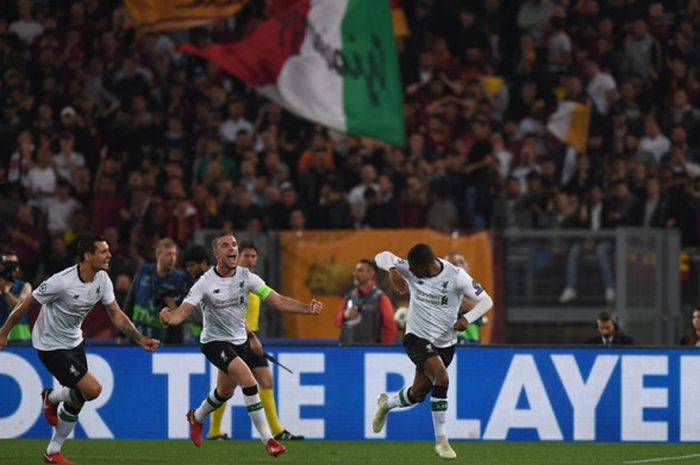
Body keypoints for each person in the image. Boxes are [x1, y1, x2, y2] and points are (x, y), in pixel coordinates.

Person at [0, 233, 160, 465]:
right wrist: (4, 332)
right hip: (50, 344)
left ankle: (52, 450)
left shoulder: (102, 279)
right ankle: (53, 398)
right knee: (93, 389)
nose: (109, 255)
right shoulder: (61, 281)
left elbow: (115, 314)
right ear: (88, 256)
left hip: (74, 341)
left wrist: (139, 338)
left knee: (79, 399)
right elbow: (27, 303)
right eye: (103, 251)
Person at [159, 231, 322, 457]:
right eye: (225, 245)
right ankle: (269, 440)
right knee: (249, 381)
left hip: (239, 343)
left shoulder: (248, 277)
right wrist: (170, 318)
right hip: (214, 342)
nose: (232, 248)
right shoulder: (204, 282)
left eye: (234, 244)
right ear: (216, 253)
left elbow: (278, 300)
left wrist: (307, 308)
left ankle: (196, 417)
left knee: (223, 392)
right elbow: (183, 312)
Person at [372, 243, 493, 460]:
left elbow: (486, 301)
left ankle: (385, 405)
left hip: (445, 344)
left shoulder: (457, 276)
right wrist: (392, 270)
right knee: (442, 377)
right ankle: (442, 441)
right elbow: (382, 255)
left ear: (428, 267)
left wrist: (467, 319)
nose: (412, 273)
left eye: (416, 271)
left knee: (417, 394)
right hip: (416, 337)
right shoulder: (411, 267)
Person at [207, 241, 305, 441]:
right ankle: (213, 430)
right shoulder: (232, 280)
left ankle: (277, 431)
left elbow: (276, 301)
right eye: (246, 256)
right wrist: (252, 337)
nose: (250, 260)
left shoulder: (252, 280)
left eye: (254, 256)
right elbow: (231, 315)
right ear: (237, 257)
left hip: (251, 338)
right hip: (234, 340)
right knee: (226, 389)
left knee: (266, 382)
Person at [124, 238, 189, 343]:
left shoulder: (181, 279)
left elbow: (186, 312)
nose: (172, 258)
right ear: (158, 255)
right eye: (168, 254)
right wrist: (121, 333)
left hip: (167, 340)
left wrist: (174, 307)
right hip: (138, 336)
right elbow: (130, 301)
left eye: (174, 254)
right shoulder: (143, 271)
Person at [335, 258, 397, 345]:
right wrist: (344, 315)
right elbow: (337, 321)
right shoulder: (349, 296)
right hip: (346, 351)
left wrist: (383, 351)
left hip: (370, 354)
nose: (355, 274)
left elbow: (390, 328)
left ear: (371, 274)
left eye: (360, 271)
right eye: (355, 271)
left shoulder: (381, 298)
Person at [444, 252, 487, 344]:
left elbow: (481, 306)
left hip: (471, 340)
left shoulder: (473, 285)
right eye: (448, 264)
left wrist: (454, 297)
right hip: (446, 340)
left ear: (463, 266)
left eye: (455, 264)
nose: (451, 267)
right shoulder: (439, 285)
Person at [0, 249, 32, 342]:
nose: (11, 267)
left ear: (18, 267)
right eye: (7, 264)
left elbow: (20, 307)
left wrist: (5, 292)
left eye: (14, 264)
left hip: (20, 338)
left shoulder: (25, 286)